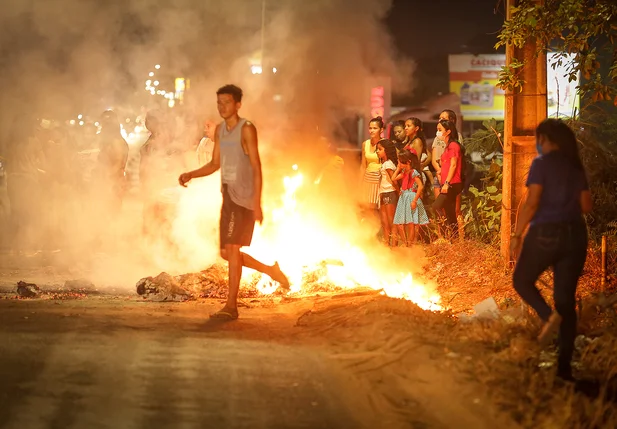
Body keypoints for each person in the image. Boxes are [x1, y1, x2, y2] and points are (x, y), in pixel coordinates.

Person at [178, 84, 290, 320]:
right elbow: (214, 164)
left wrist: (257, 202)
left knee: (232, 249)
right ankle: (271, 270)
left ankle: (231, 307)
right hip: (228, 195)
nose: (222, 107)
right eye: (219, 102)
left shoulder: (246, 129)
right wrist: (191, 174)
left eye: (227, 102)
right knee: (225, 253)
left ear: (238, 104)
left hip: (244, 197)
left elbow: (256, 166)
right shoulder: (220, 131)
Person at [511, 119, 591, 381]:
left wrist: (517, 233)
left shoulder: (541, 164)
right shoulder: (574, 165)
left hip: (545, 232)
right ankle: (564, 369)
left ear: (545, 139)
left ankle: (547, 318)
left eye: (538, 138)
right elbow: (586, 205)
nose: (537, 143)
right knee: (566, 301)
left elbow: (532, 201)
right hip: (576, 235)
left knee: (522, 280)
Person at [433, 119, 463, 239]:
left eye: (440, 130)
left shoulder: (453, 146)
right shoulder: (447, 146)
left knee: (436, 206)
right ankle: (454, 239)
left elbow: (454, 165)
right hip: (448, 182)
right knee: (450, 212)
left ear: (448, 131)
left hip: (452, 183)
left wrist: (446, 183)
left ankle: (447, 234)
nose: (438, 132)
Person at [392, 151, 429, 246]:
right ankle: (406, 243)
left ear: (408, 162)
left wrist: (415, 200)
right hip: (403, 197)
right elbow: (393, 178)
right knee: (400, 223)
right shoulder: (404, 172)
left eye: (401, 162)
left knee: (411, 222)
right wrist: (398, 168)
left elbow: (420, 186)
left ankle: (410, 244)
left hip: (411, 196)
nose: (399, 163)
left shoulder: (413, 172)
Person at [96, 110, 129, 210]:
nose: (102, 127)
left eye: (105, 124)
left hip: (114, 182)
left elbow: (119, 162)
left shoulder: (117, 141)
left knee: (111, 211)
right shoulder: (109, 141)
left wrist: (108, 179)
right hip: (110, 181)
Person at [376, 139, 399, 246]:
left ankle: (394, 245)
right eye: (377, 149)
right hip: (383, 193)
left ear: (387, 151)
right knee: (385, 222)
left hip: (390, 193)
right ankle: (386, 244)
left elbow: (393, 180)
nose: (377, 151)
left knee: (391, 221)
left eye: (380, 149)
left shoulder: (388, 164)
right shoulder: (384, 164)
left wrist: (399, 193)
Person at [359, 116, 384, 211]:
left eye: (375, 128)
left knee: (378, 207)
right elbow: (363, 165)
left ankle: (377, 225)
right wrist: (359, 183)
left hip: (379, 179)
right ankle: (369, 225)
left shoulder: (385, 143)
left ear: (381, 130)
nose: (372, 131)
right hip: (367, 178)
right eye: (370, 128)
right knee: (367, 207)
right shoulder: (365, 144)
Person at [403, 117, 434, 189]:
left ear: (416, 128)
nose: (406, 128)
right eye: (405, 126)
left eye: (408, 126)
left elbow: (415, 161)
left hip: (414, 176)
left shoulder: (417, 141)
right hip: (408, 174)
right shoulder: (409, 142)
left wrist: (423, 164)